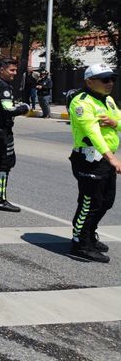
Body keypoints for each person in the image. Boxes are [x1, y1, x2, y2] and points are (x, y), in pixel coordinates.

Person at [67, 63, 120, 263]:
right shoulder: (81, 103)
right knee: (90, 203)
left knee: (106, 201)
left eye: (112, 79)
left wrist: (115, 123)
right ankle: (79, 243)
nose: (110, 83)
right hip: (89, 159)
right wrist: (112, 158)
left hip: (105, 159)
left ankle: (89, 234)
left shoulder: (108, 101)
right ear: (90, 81)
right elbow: (93, 133)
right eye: (105, 79)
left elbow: (119, 119)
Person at [0, 58, 30, 212]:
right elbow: (7, 110)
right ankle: (0, 199)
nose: (15, 73)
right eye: (12, 70)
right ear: (1, 70)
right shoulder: (2, 86)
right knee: (4, 164)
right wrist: (24, 108)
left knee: (9, 162)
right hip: (2, 130)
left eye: (15, 70)